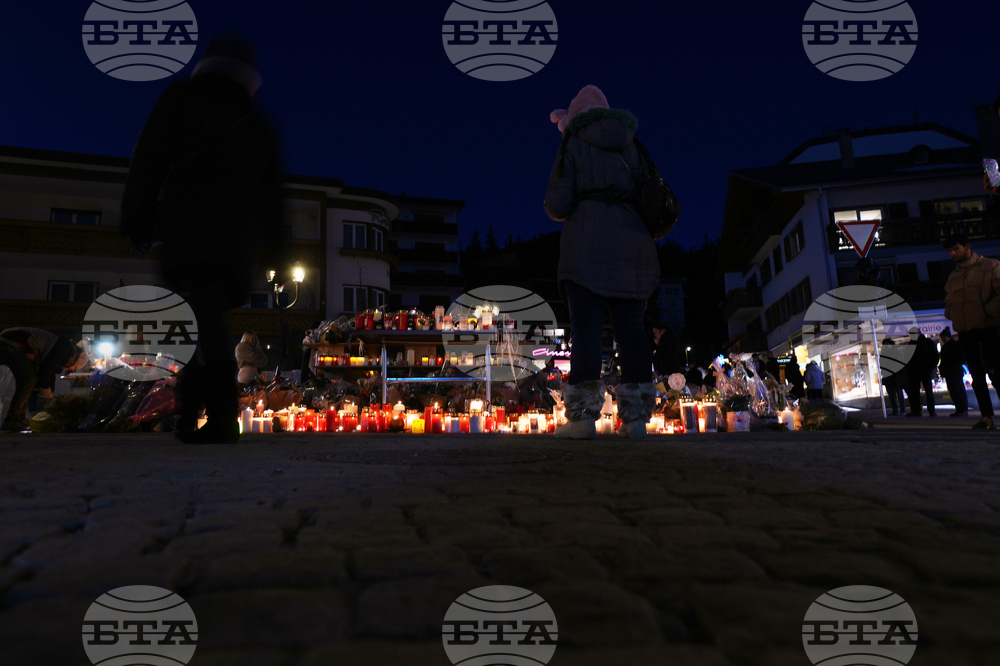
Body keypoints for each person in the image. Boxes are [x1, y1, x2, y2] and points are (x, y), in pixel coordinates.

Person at [121, 35, 286, 444]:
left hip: (188, 233)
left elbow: (149, 160)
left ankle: (217, 417)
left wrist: (136, 220)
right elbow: (273, 197)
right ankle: (194, 416)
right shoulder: (256, 123)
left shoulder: (182, 100)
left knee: (197, 324)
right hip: (233, 245)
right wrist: (277, 251)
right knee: (203, 322)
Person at [544, 85, 660, 439]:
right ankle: (637, 420)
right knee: (632, 331)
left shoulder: (574, 143)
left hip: (586, 246)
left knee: (587, 331)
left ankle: (581, 420)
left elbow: (557, 204)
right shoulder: (632, 143)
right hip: (632, 244)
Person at [942, 232, 1000, 430]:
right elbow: (949, 300)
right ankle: (987, 417)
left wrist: (988, 310)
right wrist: (951, 312)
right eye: (950, 251)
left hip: (989, 327)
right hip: (966, 331)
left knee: (997, 372)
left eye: (956, 249)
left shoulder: (990, 266)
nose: (953, 254)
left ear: (967, 247)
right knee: (976, 376)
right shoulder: (954, 276)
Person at [0, 328, 87, 432]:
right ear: (73, 359)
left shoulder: (60, 348)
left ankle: (19, 418)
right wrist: (48, 399)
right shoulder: (62, 348)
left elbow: (41, 372)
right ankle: (12, 420)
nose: (68, 369)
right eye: (71, 367)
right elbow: (45, 373)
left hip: (15, 341)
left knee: (30, 381)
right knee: (28, 380)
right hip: (13, 341)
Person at [903, 327, 938, 417]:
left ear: (918, 333)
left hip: (924, 370)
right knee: (916, 392)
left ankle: (929, 410)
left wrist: (930, 368)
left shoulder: (927, 343)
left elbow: (935, 357)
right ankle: (917, 410)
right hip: (915, 371)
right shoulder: (914, 344)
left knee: (927, 391)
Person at [938, 327, 968, 417]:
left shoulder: (948, 346)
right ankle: (961, 409)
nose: (943, 338)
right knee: (956, 391)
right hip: (954, 371)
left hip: (953, 371)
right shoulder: (952, 345)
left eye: (943, 336)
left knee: (956, 390)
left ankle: (961, 409)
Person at [880, 338, 906, 416]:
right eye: (885, 345)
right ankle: (898, 410)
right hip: (890, 376)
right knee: (893, 394)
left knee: (898, 394)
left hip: (895, 376)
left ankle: (900, 410)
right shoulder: (885, 353)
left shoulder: (896, 353)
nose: (886, 346)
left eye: (887, 344)